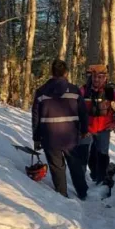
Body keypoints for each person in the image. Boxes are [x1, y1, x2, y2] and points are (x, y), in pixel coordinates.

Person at [31, 58, 89, 200]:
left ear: (52, 72)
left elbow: (35, 117)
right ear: (66, 73)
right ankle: (82, 192)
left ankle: (62, 195)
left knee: (57, 167)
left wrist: (37, 138)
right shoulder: (74, 90)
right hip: (71, 137)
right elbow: (83, 112)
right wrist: (84, 130)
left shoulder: (41, 91)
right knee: (75, 165)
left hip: (49, 138)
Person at [81, 64, 115, 184]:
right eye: (94, 77)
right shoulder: (84, 90)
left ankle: (100, 181)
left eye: (100, 77)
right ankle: (83, 180)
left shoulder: (110, 92)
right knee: (85, 155)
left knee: (102, 155)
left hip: (103, 129)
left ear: (105, 78)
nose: (96, 79)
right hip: (88, 129)